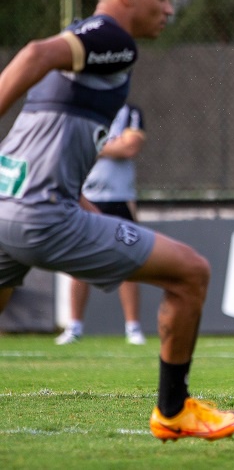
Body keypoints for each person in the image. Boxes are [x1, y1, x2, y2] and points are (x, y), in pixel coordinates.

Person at [0, 0, 234, 441]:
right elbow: (34, 53)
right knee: (191, 274)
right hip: (39, 217)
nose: (171, 9)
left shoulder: (94, 47)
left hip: (8, 209)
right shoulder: (113, 36)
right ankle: (174, 411)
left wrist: (83, 205)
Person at [55, 101, 148, 346]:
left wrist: (92, 147)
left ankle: (133, 328)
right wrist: (109, 146)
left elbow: (129, 147)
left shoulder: (130, 112)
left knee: (129, 263)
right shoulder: (80, 110)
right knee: (78, 264)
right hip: (86, 197)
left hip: (119, 199)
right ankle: (74, 327)